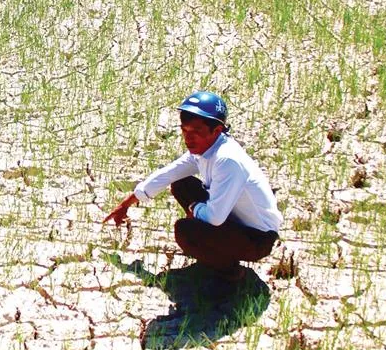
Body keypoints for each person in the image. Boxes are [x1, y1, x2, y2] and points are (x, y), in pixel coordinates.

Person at [103, 91, 282, 281]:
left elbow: (214, 218)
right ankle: (216, 252)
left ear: (217, 131)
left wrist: (194, 208)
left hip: (258, 238)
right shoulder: (205, 150)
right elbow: (169, 173)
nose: (189, 138)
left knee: (185, 231)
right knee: (182, 184)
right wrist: (128, 202)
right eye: (185, 130)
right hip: (235, 222)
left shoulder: (227, 160)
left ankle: (230, 273)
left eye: (197, 131)